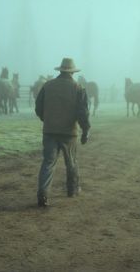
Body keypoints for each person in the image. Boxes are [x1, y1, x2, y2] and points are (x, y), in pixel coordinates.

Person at [35, 58, 91, 207]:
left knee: (48, 162)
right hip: (69, 132)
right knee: (71, 162)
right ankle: (72, 190)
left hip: (49, 131)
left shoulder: (47, 86)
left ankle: (43, 193)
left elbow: (38, 108)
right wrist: (85, 130)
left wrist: (47, 120)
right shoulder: (78, 88)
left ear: (60, 70)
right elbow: (82, 113)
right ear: (72, 72)